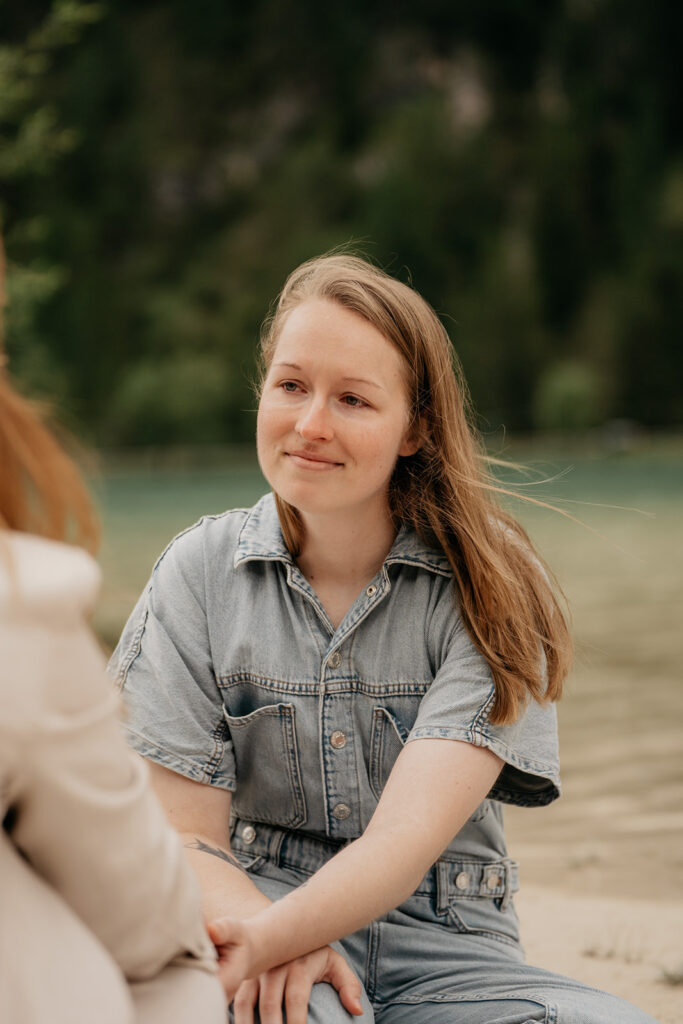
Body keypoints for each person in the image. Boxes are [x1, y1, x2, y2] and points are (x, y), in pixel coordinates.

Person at [110, 252, 659, 1024]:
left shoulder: (491, 582)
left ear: (415, 428)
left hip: (449, 949)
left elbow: (402, 842)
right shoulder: (198, 572)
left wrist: (274, 938)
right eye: (291, 386)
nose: (310, 424)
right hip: (258, 905)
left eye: (352, 400)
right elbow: (185, 835)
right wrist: (268, 939)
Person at [0, 236, 226, 1024]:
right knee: (179, 978)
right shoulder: (24, 610)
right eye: (290, 385)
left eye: (353, 399)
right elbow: (150, 924)